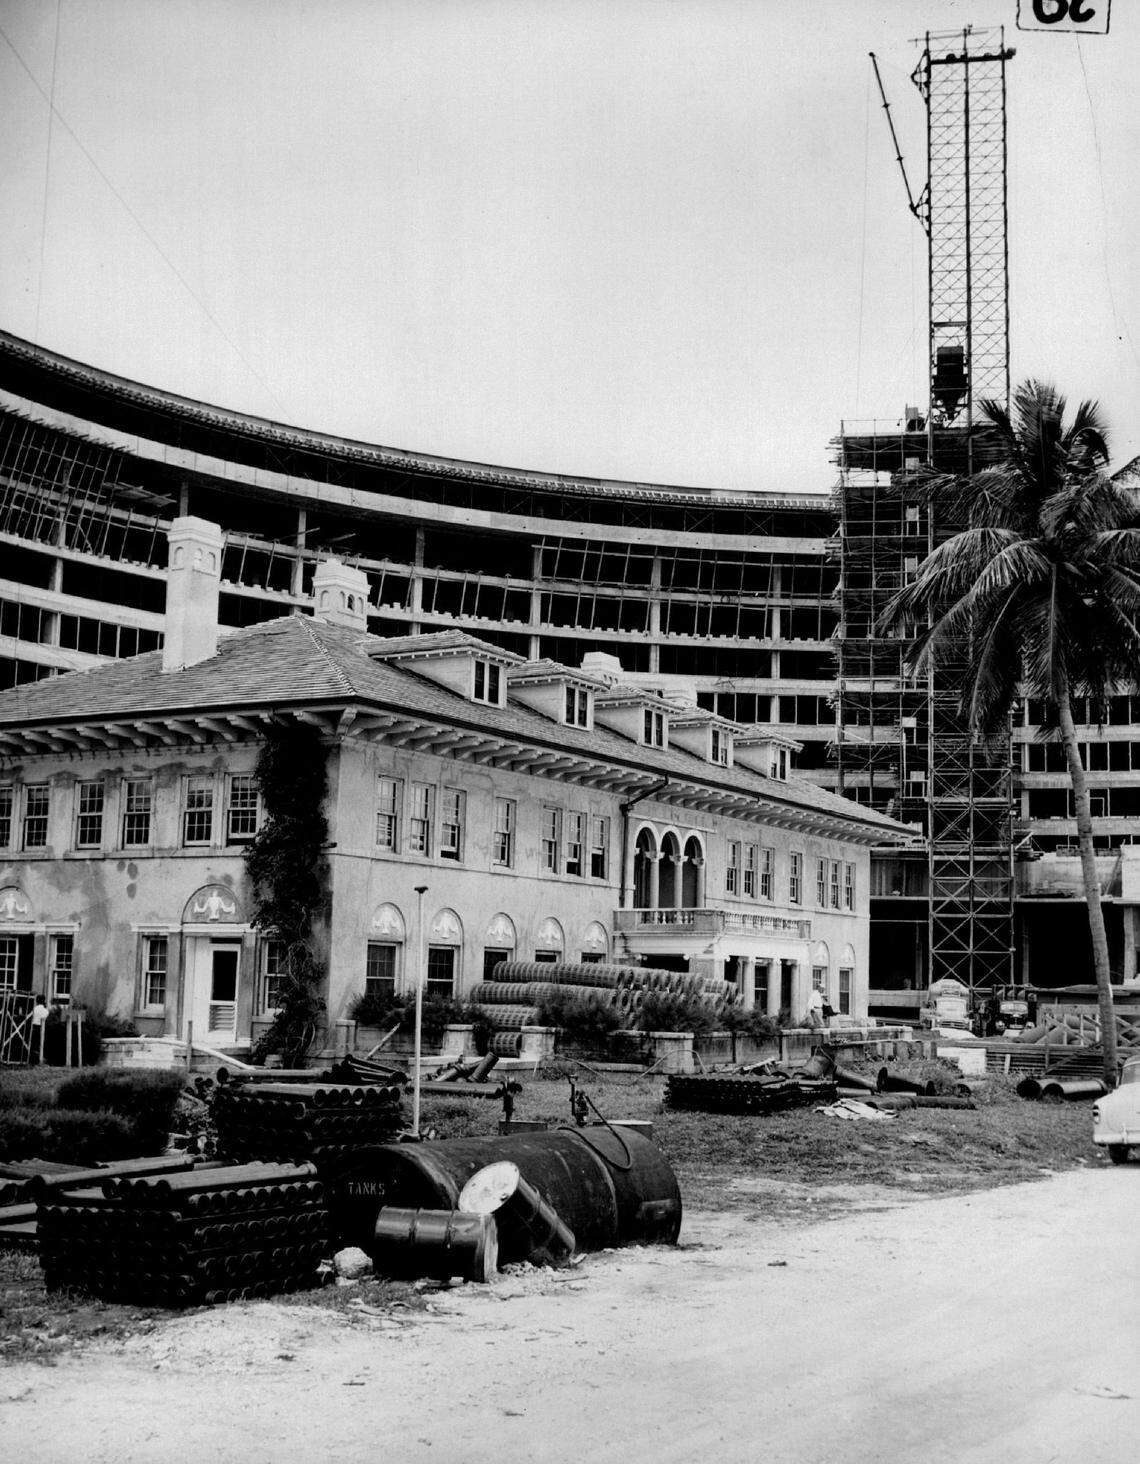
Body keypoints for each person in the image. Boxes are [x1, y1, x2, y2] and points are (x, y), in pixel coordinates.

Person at [30, 994, 50, 1064]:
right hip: (42, 1027)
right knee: (41, 1044)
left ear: (37, 1001)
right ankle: (41, 1058)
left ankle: (33, 1059)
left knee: (33, 1044)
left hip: (34, 1027)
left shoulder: (34, 1009)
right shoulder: (46, 1011)